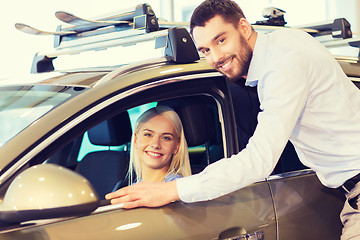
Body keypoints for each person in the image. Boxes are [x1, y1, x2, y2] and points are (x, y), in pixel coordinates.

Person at [106, 0, 360, 238]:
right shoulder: (284, 42)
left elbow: (259, 161)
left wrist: (171, 190)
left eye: (221, 40)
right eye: (205, 49)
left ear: (244, 27)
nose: (215, 57)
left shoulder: (282, 68)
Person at [126, 106, 191, 185]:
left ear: (176, 146)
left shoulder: (181, 190)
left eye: (166, 138)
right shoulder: (131, 189)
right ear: (136, 140)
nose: (155, 144)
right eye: (148, 134)